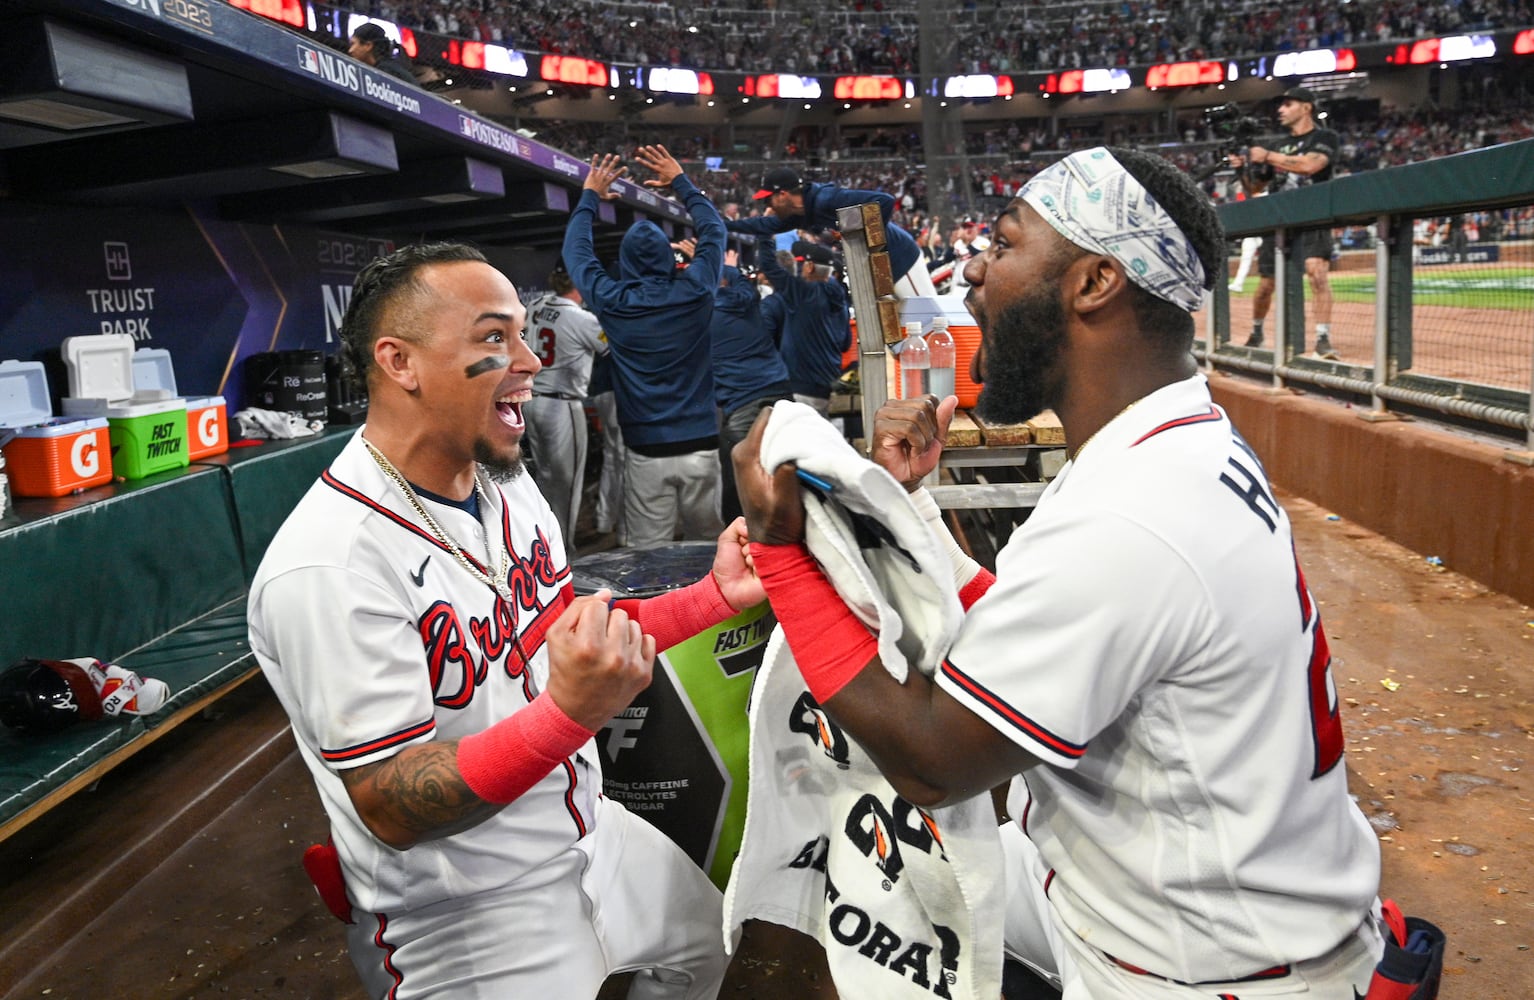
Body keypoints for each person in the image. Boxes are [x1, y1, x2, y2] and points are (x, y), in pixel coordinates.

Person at [734, 147, 1385, 999]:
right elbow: (1034, 623)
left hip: (1206, 970)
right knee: (880, 879)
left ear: (1093, 282)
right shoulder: (1175, 440)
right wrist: (913, 509)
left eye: (1004, 246)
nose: (973, 270)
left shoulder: (1131, 511)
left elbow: (934, 761)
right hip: (1209, 903)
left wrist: (783, 555)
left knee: (859, 870)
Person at [248, 241, 765, 999]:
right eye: (495, 338)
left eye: (522, 334)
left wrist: (712, 599)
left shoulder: (507, 488)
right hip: (464, 908)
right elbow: (391, 802)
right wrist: (567, 714)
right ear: (400, 362)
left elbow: (560, 630)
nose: (529, 359)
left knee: (711, 954)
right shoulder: (330, 563)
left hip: (594, 832)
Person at [561, 145, 725, 550]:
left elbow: (576, 253)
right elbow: (715, 231)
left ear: (627, 260)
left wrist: (590, 197)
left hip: (645, 449)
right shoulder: (696, 288)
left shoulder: (614, 300)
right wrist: (681, 183)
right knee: (709, 549)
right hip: (702, 441)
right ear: (669, 259)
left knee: (649, 553)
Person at [1230, 87, 1341, 357]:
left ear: (1306, 108)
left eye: (1288, 104)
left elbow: (1310, 166)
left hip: (1314, 216)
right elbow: (1255, 188)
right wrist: (1240, 168)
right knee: (1266, 284)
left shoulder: (1324, 137)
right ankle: (1257, 332)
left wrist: (1267, 156)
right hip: (1279, 221)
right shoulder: (1277, 145)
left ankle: (1323, 339)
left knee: (1317, 272)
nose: (1280, 110)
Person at [728, 166, 937, 298]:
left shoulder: (825, 199)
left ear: (782, 194)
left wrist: (863, 236)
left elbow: (884, 202)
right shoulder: (801, 212)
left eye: (768, 199)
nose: (768, 205)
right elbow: (764, 225)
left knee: (928, 318)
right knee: (896, 330)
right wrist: (723, 225)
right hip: (878, 266)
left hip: (900, 257)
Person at [521, 265, 608, 544]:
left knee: (545, 480)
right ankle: (565, 554)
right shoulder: (581, 318)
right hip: (562, 404)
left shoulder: (533, 304)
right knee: (567, 486)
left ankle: (544, 545)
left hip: (530, 402)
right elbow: (610, 347)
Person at [710, 248, 792, 522]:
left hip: (742, 404)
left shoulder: (703, 312)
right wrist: (730, 269)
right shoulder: (747, 301)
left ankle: (748, 545)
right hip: (780, 395)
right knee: (785, 473)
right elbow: (745, 286)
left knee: (739, 489)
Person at [760, 240, 850, 417]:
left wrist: (766, 230)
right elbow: (845, 343)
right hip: (829, 384)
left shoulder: (803, 293)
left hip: (803, 386)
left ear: (809, 267)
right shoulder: (840, 299)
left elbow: (768, 265)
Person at [348, 22, 416, 84]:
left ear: (368, 46)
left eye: (353, 44)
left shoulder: (386, 72)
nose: (350, 50)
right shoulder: (386, 67)